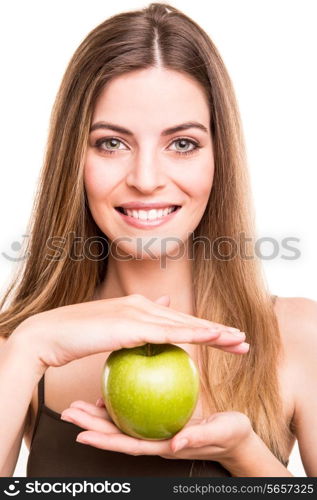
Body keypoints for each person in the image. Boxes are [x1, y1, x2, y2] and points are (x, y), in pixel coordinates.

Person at [0, 2, 316, 478]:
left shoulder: (298, 335)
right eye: (111, 142)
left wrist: (244, 456)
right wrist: (31, 345)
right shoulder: (19, 346)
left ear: (218, 158)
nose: (146, 179)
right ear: (74, 160)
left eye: (182, 143)